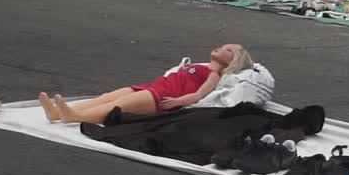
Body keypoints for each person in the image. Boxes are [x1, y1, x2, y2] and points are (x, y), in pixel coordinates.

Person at [38, 44, 253, 124]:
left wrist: (177, 101)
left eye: (228, 50)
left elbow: (198, 96)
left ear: (232, 61)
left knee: (119, 105)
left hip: (161, 97)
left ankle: (76, 117)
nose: (220, 47)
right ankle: (59, 113)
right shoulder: (200, 65)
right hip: (153, 87)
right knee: (108, 97)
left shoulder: (213, 75)